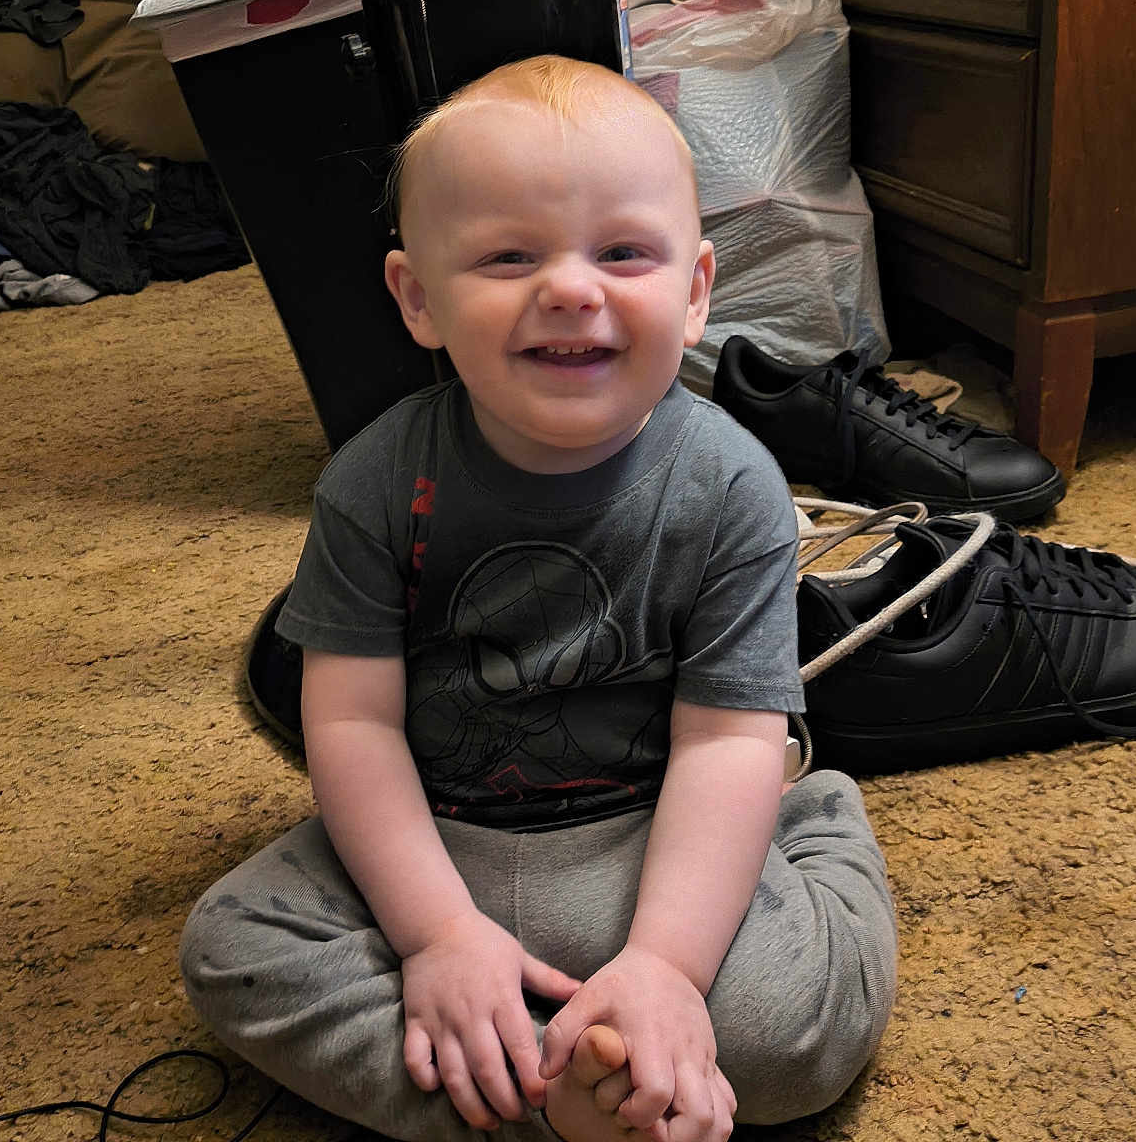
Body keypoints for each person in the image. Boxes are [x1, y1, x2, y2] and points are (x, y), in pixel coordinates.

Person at [180, 56, 897, 1142]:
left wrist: (663, 965)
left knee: (783, 1040)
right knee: (229, 945)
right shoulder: (372, 486)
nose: (571, 288)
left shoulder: (736, 488)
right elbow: (353, 724)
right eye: (509, 257)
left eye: (623, 253)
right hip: (440, 832)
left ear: (695, 290)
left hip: (656, 832)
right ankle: (563, 1101)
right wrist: (433, 939)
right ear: (417, 298)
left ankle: (810, 834)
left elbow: (721, 745)